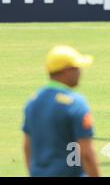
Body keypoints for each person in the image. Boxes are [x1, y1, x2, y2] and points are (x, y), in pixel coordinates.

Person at [23, 45, 100, 177]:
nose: (80, 72)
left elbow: (27, 146)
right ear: (65, 71)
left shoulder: (33, 101)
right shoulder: (76, 104)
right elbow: (86, 153)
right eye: (76, 68)